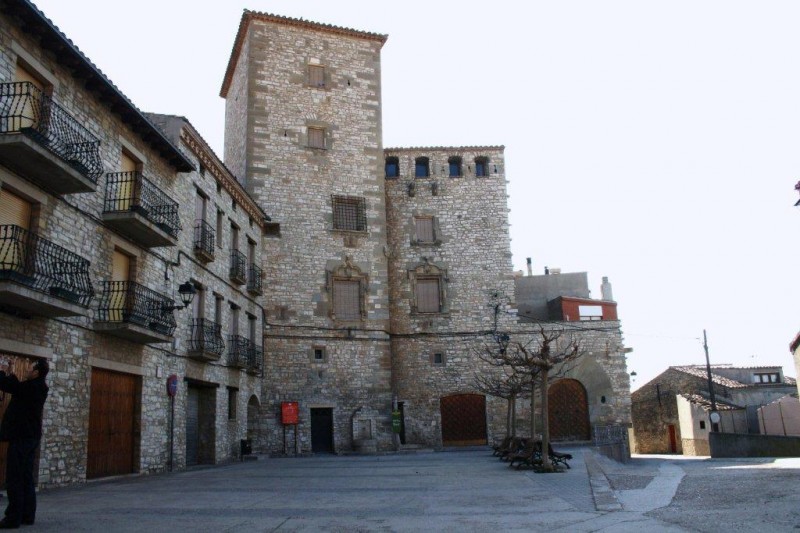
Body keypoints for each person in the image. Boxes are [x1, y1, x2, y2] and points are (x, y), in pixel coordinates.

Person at [0, 358, 49, 529]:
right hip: (30, 438)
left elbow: (10, 387)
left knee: (15, 478)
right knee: (26, 477)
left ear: (36, 372)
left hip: (21, 438)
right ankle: (27, 514)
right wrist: (11, 372)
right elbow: (18, 387)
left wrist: (2, 371)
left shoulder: (32, 388)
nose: (27, 369)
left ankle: (13, 518)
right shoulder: (38, 387)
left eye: (30, 367)